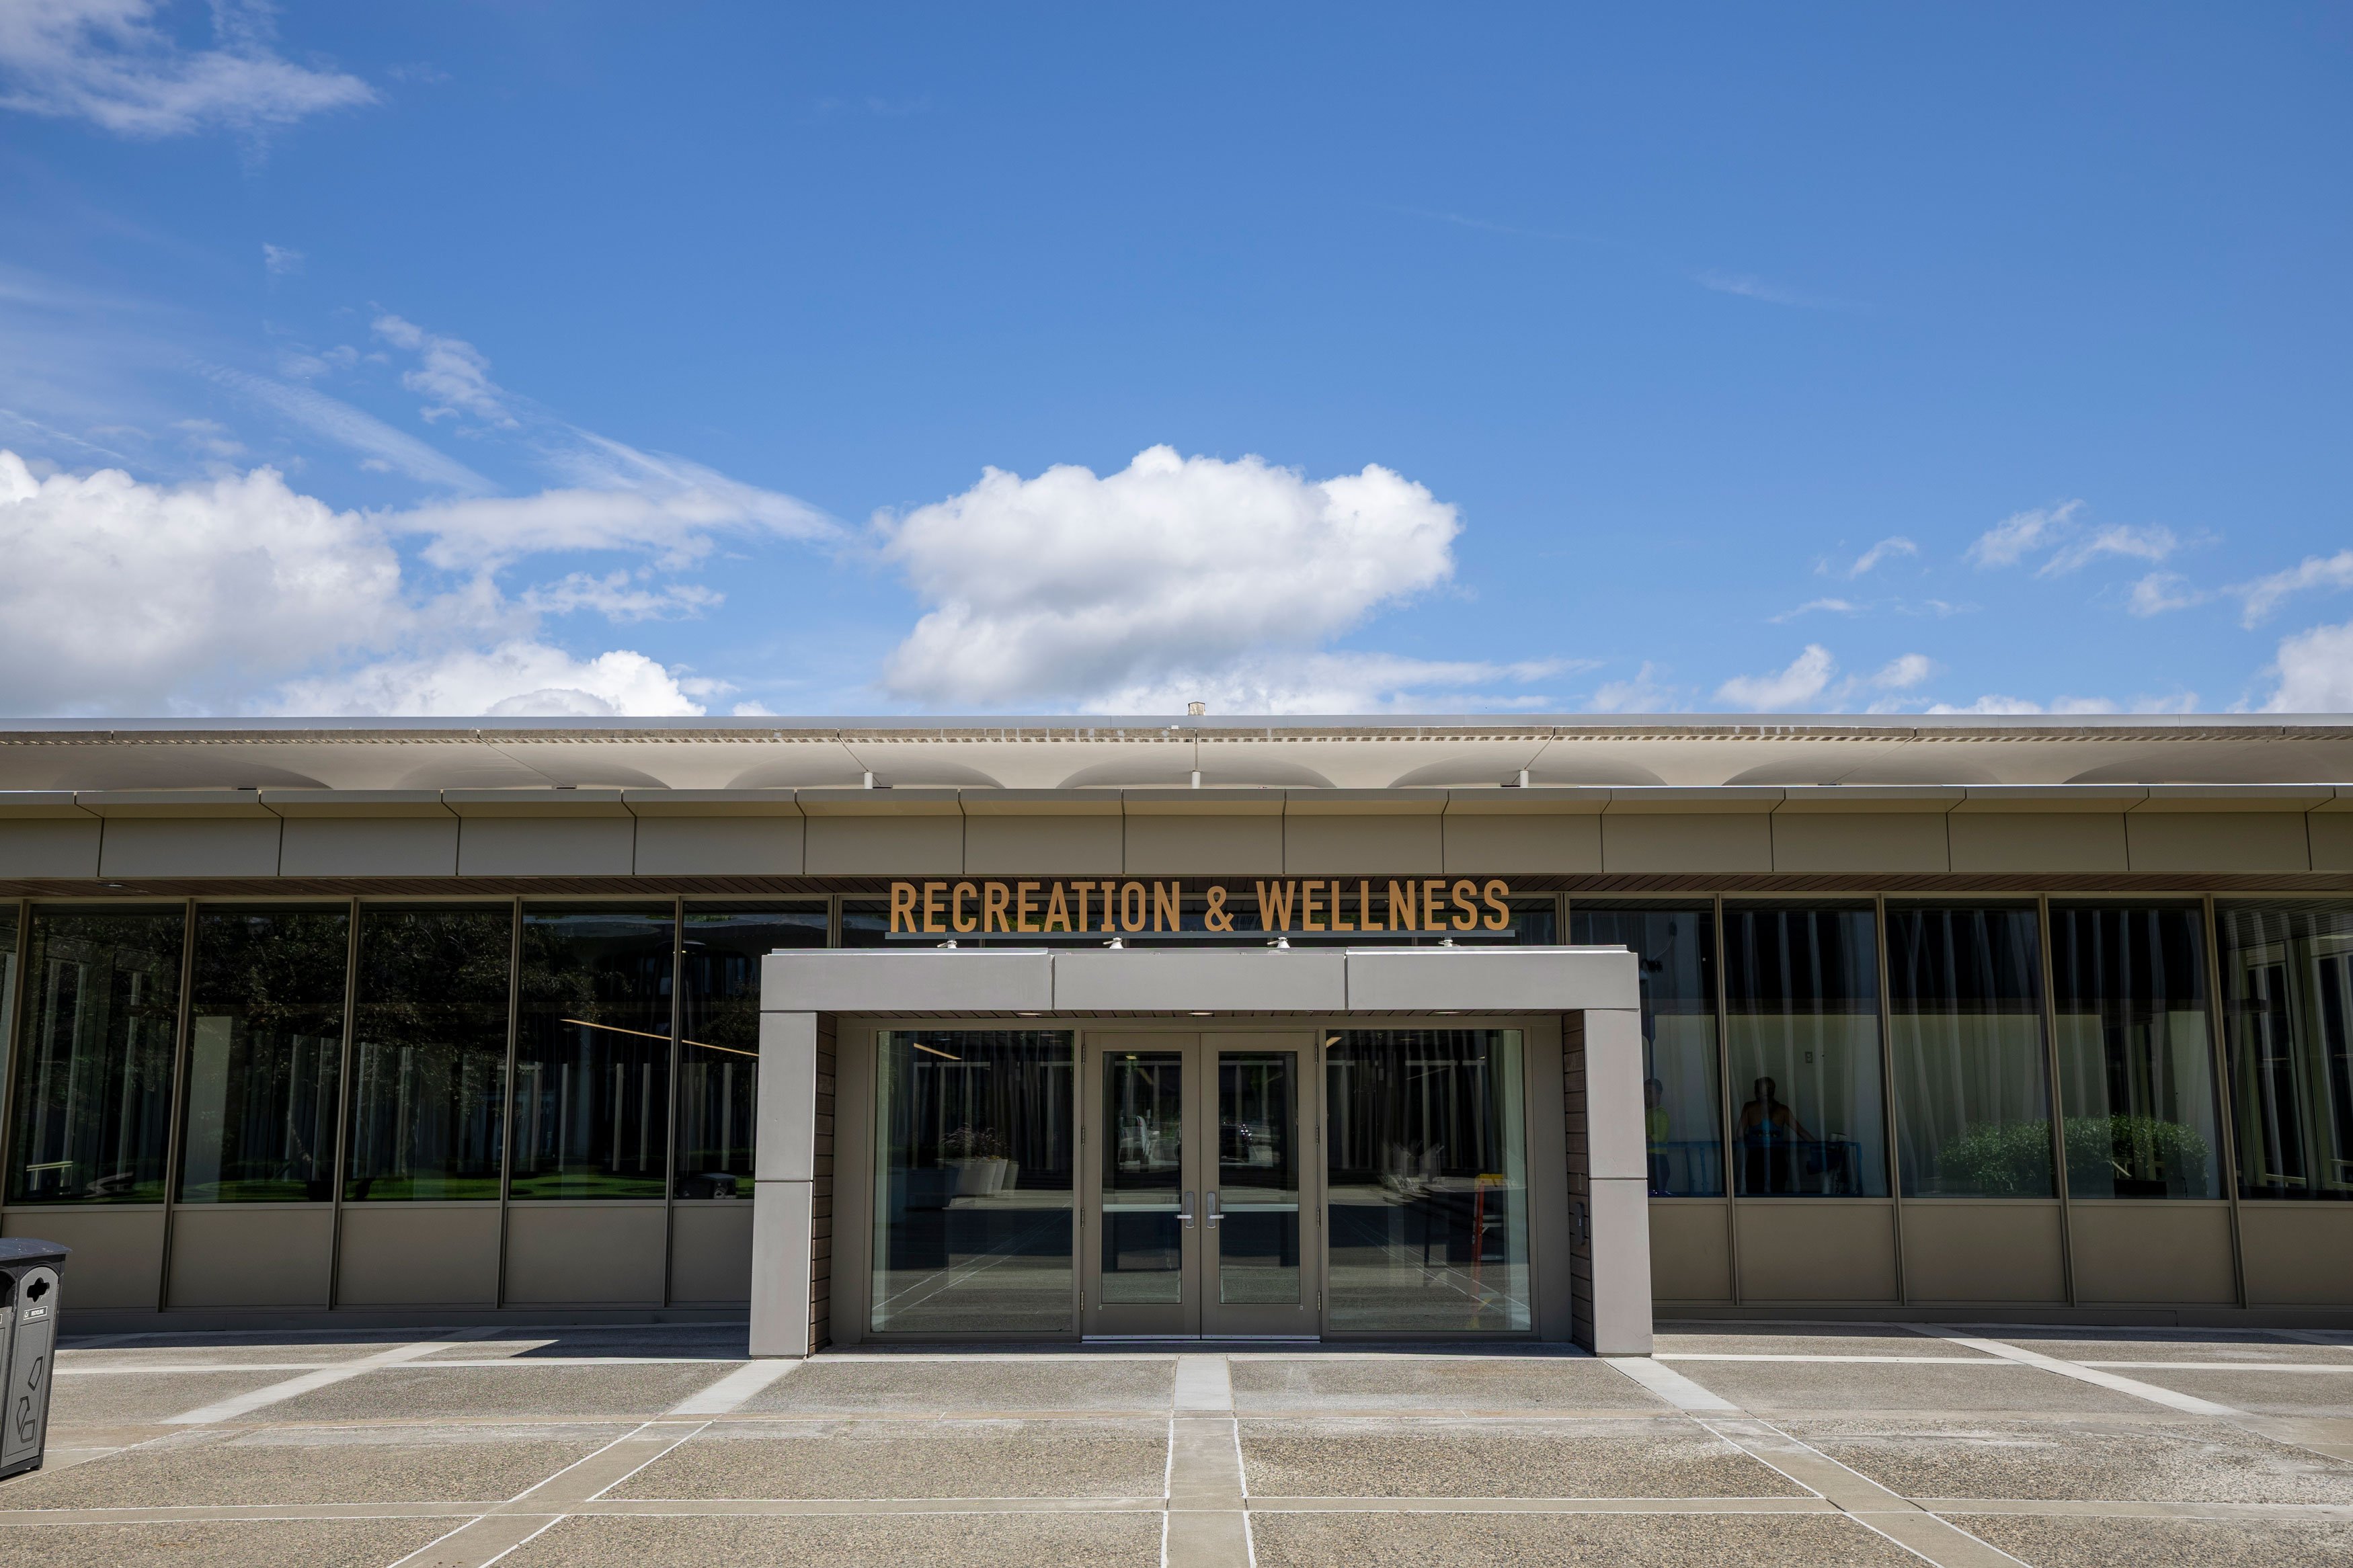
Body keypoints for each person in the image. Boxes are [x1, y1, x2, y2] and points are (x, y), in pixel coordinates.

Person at [1737, 1075, 1814, 1194]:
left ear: (1757, 1092)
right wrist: (1818, 1146)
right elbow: (1801, 1132)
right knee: (1777, 1196)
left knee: (1754, 1197)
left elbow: (1739, 1134)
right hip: (1777, 1159)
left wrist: (1753, 1139)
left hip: (1756, 1158)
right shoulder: (1783, 1110)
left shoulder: (1749, 1108)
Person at [1644, 1077, 1671, 1194]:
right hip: (1649, 1160)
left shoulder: (1661, 1114)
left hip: (1657, 1161)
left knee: (1654, 1197)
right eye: (1644, 1092)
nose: (1646, 1095)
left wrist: (1640, 1141)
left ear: (1659, 1095)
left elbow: (1658, 1137)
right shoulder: (1645, 1113)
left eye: (1650, 1092)